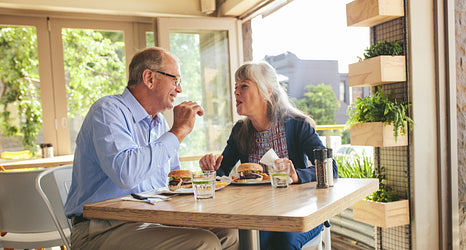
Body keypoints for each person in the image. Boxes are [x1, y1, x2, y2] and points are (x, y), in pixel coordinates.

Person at [64, 47, 238, 250]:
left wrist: (206, 177)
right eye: (175, 80)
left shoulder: (159, 124)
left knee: (228, 232)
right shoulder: (107, 111)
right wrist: (178, 131)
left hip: (150, 220)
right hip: (101, 230)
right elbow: (126, 174)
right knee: (203, 243)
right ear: (149, 78)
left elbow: (173, 182)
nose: (179, 89)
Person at [199, 61, 338, 250]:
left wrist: (297, 175)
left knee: (282, 243)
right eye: (235, 87)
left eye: (244, 85)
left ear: (267, 91)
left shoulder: (298, 125)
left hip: (300, 214)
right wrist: (211, 170)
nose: (236, 92)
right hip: (258, 215)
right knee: (249, 242)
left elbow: (332, 168)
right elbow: (222, 171)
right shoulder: (240, 131)